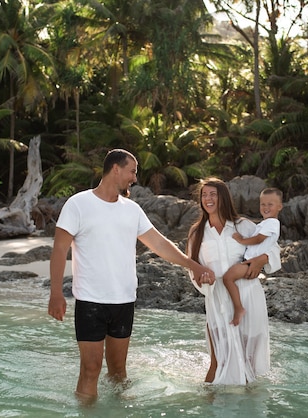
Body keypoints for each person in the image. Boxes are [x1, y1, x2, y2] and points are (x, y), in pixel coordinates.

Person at [48, 149, 213, 403]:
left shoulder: (132, 210)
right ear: (116, 169)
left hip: (124, 301)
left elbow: (158, 244)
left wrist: (192, 264)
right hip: (90, 301)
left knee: (118, 372)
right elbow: (59, 249)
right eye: (132, 171)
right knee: (91, 369)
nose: (134, 178)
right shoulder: (78, 204)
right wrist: (56, 293)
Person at [187, 177, 281, 385]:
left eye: (213, 194)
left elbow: (272, 248)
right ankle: (208, 407)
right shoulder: (197, 233)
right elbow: (193, 268)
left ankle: (249, 409)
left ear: (224, 197)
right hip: (218, 300)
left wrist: (261, 260)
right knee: (217, 359)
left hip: (249, 296)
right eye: (204, 195)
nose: (208, 199)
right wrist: (203, 279)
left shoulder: (244, 226)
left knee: (249, 359)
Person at [223, 187, 283, 326]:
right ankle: (238, 307)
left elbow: (258, 240)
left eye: (270, 204)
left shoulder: (273, 223)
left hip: (250, 264)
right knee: (228, 279)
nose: (266, 207)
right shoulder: (265, 223)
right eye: (263, 204)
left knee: (228, 278)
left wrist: (241, 240)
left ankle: (239, 309)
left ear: (279, 206)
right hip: (248, 262)